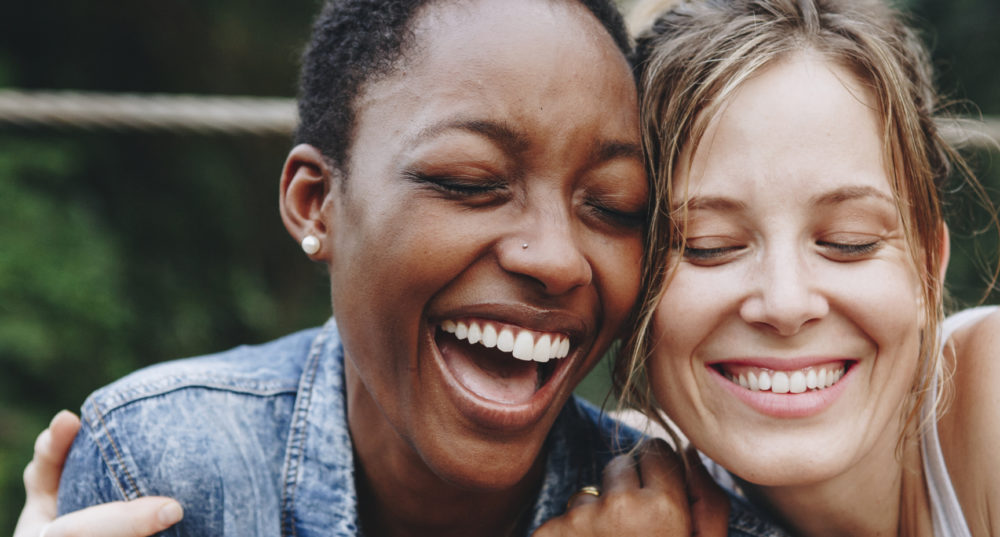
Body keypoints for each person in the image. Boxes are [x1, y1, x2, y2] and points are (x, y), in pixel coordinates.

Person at [14, 0, 785, 535]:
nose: (555, 257)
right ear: (317, 203)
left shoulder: (690, 519)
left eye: (614, 204)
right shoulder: (170, 471)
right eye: (469, 183)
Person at [604, 0, 1000, 535]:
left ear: (929, 268)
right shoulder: (631, 482)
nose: (785, 304)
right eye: (709, 246)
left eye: (848, 242)